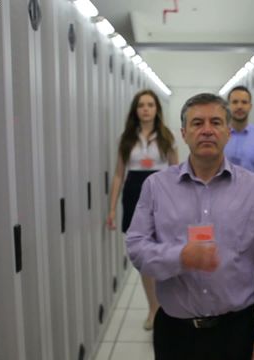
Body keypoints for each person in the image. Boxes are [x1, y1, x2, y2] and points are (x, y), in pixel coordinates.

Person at [126, 93, 254, 360]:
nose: (206, 130)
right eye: (197, 123)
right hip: (175, 332)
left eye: (215, 122)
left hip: (237, 331)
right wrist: (179, 257)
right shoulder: (156, 187)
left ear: (228, 132)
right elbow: (136, 248)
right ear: (183, 133)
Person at [106, 89, 178, 330]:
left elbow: (176, 174)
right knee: (145, 256)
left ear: (157, 109)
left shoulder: (167, 137)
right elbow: (118, 175)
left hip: (161, 193)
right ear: (135, 110)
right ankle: (153, 307)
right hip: (134, 192)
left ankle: (167, 305)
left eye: (150, 104)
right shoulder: (126, 138)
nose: (145, 109)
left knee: (162, 251)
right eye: (141, 105)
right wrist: (112, 210)